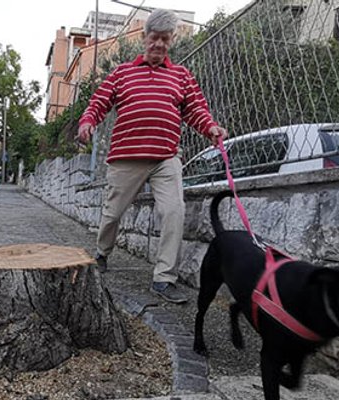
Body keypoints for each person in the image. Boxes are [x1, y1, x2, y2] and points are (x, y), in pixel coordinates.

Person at [78, 9, 228, 304]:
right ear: (144, 38)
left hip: (166, 157)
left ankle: (163, 279)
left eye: (165, 39)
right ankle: (103, 253)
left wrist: (209, 127)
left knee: (174, 211)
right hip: (126, 156)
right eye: (154, 38)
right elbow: (99, 101)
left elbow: (196, 109)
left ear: (171, 41)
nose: (159, 44)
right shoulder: (121, 72)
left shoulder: (181, 76)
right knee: (112, 214)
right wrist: (87, 122)